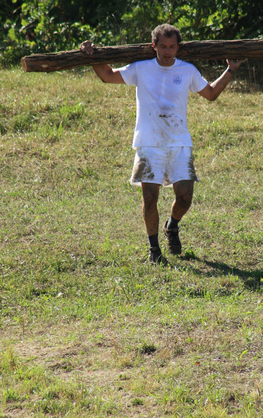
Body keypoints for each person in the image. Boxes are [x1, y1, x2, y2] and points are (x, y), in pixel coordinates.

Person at [80, 24, 242, 264]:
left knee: (185, 196)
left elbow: (210, 94)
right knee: (150, 197)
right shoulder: (141, 68)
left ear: (178, 47)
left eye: (172, 47)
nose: (167, 51)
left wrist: (230, 70)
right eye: (163, 46)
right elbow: (107, 75)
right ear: (153, 46)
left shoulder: (187, 70)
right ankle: (154, 250)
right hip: (149, 143)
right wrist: (92, 55)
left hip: (179, 142)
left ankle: (172, 225)